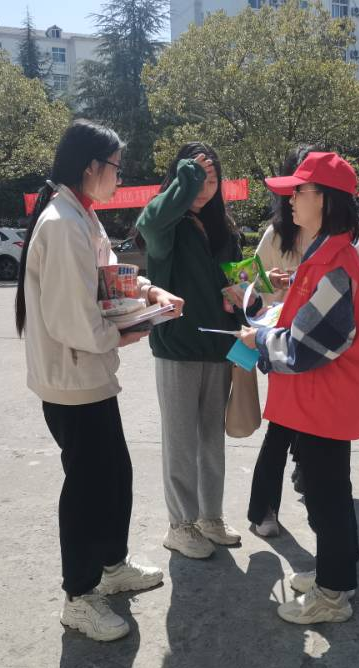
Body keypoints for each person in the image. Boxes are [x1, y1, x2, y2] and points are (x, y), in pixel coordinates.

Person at [16, 119, 183, 642]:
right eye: (116, 167)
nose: (119, 176)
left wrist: (150, 293)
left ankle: (112, 566)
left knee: (113, 474)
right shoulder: (63, 223)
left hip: (88, 374)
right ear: (91, 167)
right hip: (72, 378)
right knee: (88, 487)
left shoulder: (80, 215)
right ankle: (79, 595)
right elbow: (72, 318)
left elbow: (112, 278)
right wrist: (124, 334)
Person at [239, 151, 359, 624]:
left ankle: (332, 594)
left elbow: (307, 346)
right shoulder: (324, 252)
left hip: (326, 400)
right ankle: (335, 573)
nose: (290, 199)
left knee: (326, 497)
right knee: (328, 492)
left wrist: (259, 339)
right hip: (319, 400)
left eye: (297, 191)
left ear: (323, 198)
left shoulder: (334, 261)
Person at [135, 142, 245, 560]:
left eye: (211, 179)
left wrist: (248, 289)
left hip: (219, 346)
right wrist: (188, 179)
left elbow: (236, 278)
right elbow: (149, 221)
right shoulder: (168, 225)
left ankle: (210, 516)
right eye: (195, 178)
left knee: (211, 439)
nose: (204, 187)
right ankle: (180, 525)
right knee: (181, 441)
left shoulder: (224, 229)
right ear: (179, 179)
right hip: (177, 348)